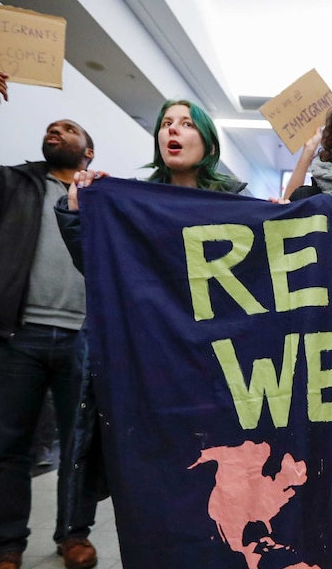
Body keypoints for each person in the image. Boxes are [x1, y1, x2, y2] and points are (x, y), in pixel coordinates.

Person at [54, 97, 250, 548]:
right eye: (165, 124)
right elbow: (100, 269)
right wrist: (80, 212)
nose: (173, 131)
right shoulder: (129, 201)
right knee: (165, 468)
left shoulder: (238, 201)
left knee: (216, 463)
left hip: (214, 360)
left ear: (207, 139)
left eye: (185, 124)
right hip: (156, 360)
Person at [0, 70, 98, 569]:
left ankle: (73, 534)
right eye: (51, 129)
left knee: (79, 447)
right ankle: (4, 547)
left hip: (82, 339)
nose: (55, 132)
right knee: (5, 445)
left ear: (88, 151)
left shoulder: (101, 197)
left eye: (68, 129)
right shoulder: (12, 182)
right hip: (10, 336)